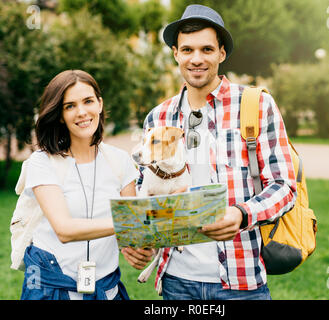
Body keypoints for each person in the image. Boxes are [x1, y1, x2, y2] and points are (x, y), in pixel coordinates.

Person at [121, 5, 297, 300]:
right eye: (187, 50)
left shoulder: (256, 106)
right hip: (176, 281)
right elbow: (145, 190)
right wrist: (137, 239)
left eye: (207, 49)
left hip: (241, 281)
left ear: (222, 53)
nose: (197, 59)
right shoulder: (157, 118)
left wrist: (242, 214)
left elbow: (285, 188)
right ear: (176, 53)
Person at [20, 70, 138, 300]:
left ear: (100, 104)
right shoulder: (42, 162)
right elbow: (64, 229)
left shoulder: (120, 161)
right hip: (51, 288)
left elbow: (133, 234)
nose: (82, 112)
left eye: (88, 101)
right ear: (60, 115)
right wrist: (130, 221)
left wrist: (141, 249)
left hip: (107, 288)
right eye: (70, 106)